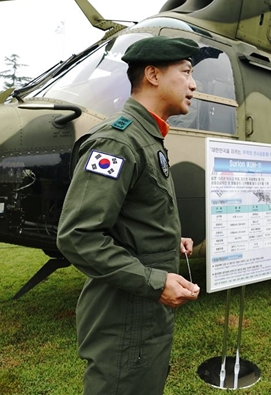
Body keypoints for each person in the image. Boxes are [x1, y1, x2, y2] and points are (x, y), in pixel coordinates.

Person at [57, 36, 202, 394]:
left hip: (140, 312)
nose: (193, 84)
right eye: (185, 72)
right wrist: (157, 282)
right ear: (153, 74)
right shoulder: (119, 141)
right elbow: (78, 236)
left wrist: (168, 240)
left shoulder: (147, 137)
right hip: (125, 318)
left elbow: (132, 215)